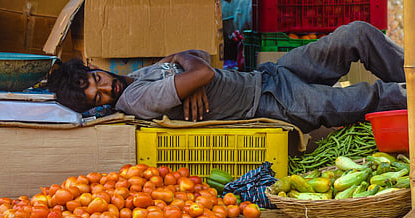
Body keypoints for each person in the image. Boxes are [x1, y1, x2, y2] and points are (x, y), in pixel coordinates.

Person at [47, 21, 407, 133]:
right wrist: (191, 73)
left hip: (271, 75)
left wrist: (188, 70)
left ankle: (414, 74)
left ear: (94, 68)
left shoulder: (136, 77)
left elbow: (198, 56)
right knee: (369, 97)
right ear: (102, 105)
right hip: (271, 103)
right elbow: (201, 68)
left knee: (355, 35)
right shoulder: (136, 99)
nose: (105, 87)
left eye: (96, 79)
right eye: (98, 96)